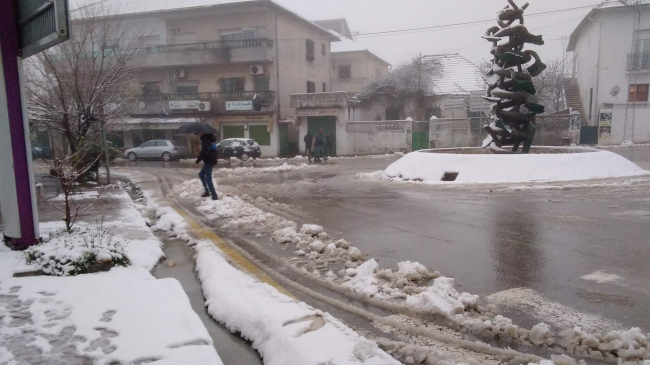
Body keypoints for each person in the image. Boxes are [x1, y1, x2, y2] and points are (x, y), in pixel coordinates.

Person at [196, 133, 218, 200]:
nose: (197, 135)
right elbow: (208, 150)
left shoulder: (205, 140)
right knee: (201, 174)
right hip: (210, 160)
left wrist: (198, 160)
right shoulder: (209, 139)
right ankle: (207, 191)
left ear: (201, 133)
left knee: (208, 178)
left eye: (197, 133)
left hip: (209, 161)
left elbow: (205, 152)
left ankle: (214, 195)